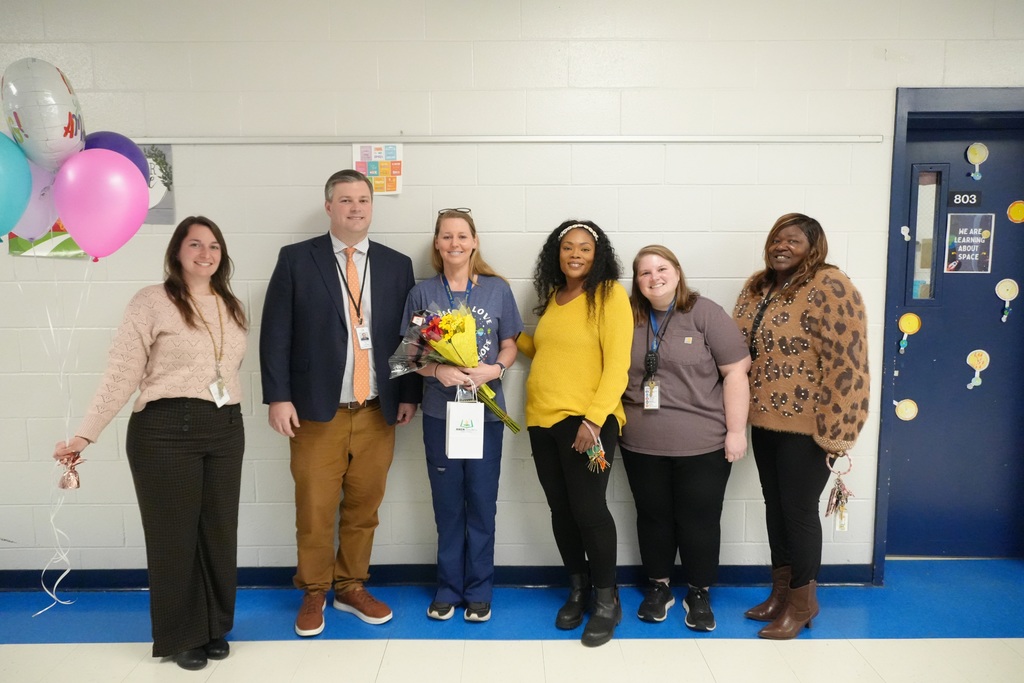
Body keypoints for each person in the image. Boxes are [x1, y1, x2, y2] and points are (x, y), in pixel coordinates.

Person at [53, 217, 247, 671]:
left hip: (225, 426)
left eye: (214, 245)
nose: (206, 253)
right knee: (173, 538)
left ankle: (214, 626)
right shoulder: (151, 302)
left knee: (219, 532)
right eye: (195, 244)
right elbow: (122, 371)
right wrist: (87, 432)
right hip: (164, 430)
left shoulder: (230, 304)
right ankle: (181, 635)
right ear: (177, 251)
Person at [260, 169, 420, 637]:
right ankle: (314, 592)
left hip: (376, 411)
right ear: (329, 206)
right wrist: (278, 397)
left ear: (372, 207)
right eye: (345, 200)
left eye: (363, 200)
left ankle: (350, 586)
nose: (355, 208)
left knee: (363, 508)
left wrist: (408, 393)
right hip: (316, 412)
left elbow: (408, 338)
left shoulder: (396, 264)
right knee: (314, 508)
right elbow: (275, 335)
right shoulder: (296, 259)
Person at [732, 213, 869, 640]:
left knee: (798, 512)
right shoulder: (758, 285)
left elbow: (849, 364)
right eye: (776, 238)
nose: (781, 246)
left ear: (814, 246)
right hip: (763, 420)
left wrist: (839, 430)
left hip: (808, 427)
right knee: (776, 508)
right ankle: (781, 595)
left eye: (792, 240)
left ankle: (803, 603)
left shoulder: (831, 285)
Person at [620, 245, 751, 632]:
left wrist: (736, 431)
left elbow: (736, 373)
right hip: (640, 444)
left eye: (662, 269)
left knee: (701, 520)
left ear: (677, 273)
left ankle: (698, 592)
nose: (654, 278)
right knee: (653, 518)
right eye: (644, 272)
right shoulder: (628, 316)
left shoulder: (704, 312)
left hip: (704, 446)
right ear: (636, 280)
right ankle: (659, 587)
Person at [403, 208, 523, 623]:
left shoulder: (496, 289)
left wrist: (496, 369)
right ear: (437, 244)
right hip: (441, 414)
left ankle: (479, 590)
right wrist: (440, 370)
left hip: (487, 415)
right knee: (448, 504)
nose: (455, 243)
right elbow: (410, 356)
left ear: (474, 242)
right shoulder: (422, 293)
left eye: (462, 236)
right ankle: (448, 588)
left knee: (482, 502)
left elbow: (510, 344)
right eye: (446, 237)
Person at [516, 219, 632, 647]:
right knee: (561, 510)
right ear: (556, 254)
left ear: (597, 254)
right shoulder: (554, 299)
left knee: (589, 509)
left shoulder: (609, 295)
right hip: (541, 420)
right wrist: (509, 335)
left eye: (584, 247)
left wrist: (594, 419)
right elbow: (544, 352)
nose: (576, 254)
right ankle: (579, 588)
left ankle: (606, 601)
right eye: (568, 247)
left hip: (587, 422)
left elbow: (618, 365)